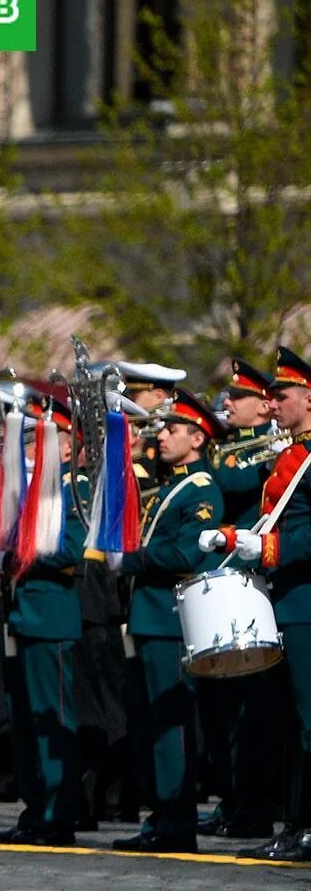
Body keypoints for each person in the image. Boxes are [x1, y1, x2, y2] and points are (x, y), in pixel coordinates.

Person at [212, 346, 311, 861]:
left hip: (307, 604)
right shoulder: (292, 455)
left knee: (309, 720)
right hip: (288, 602)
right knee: (293, 723)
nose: (272, 404)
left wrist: (267, 548)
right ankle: (295, 825)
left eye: (282, 395)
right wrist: (233, 540)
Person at [115, 388, 225, 853]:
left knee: (172, 723)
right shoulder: (172, 485)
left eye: (174, 429)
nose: (163, 435)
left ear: (197, 438)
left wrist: (132, 560)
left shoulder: (200, 489)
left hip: (171, 617)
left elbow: (187, 551)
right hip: (150, 616)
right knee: (152, 722)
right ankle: (162, 814)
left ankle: (177, 820)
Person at [0, 397, 89, 848]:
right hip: (26, 613)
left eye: (50, 435)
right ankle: (35, 810)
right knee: (28, 721)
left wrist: (22, 546)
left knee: (54, 720)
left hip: (51, 615)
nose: (37, 443)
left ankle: (57, 814)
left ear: (69, 446)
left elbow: (71, 549)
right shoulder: (35, 487)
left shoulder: (75, 487)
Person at [198, 358, 282, 839]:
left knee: (251, 706)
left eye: (238, 396)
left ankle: (253, 804)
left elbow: (227, 483)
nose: (227, 402)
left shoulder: (261, 449)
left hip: (250, 580)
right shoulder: (231, 447)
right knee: (222, 706)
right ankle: (232, 799)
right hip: (223, 579)